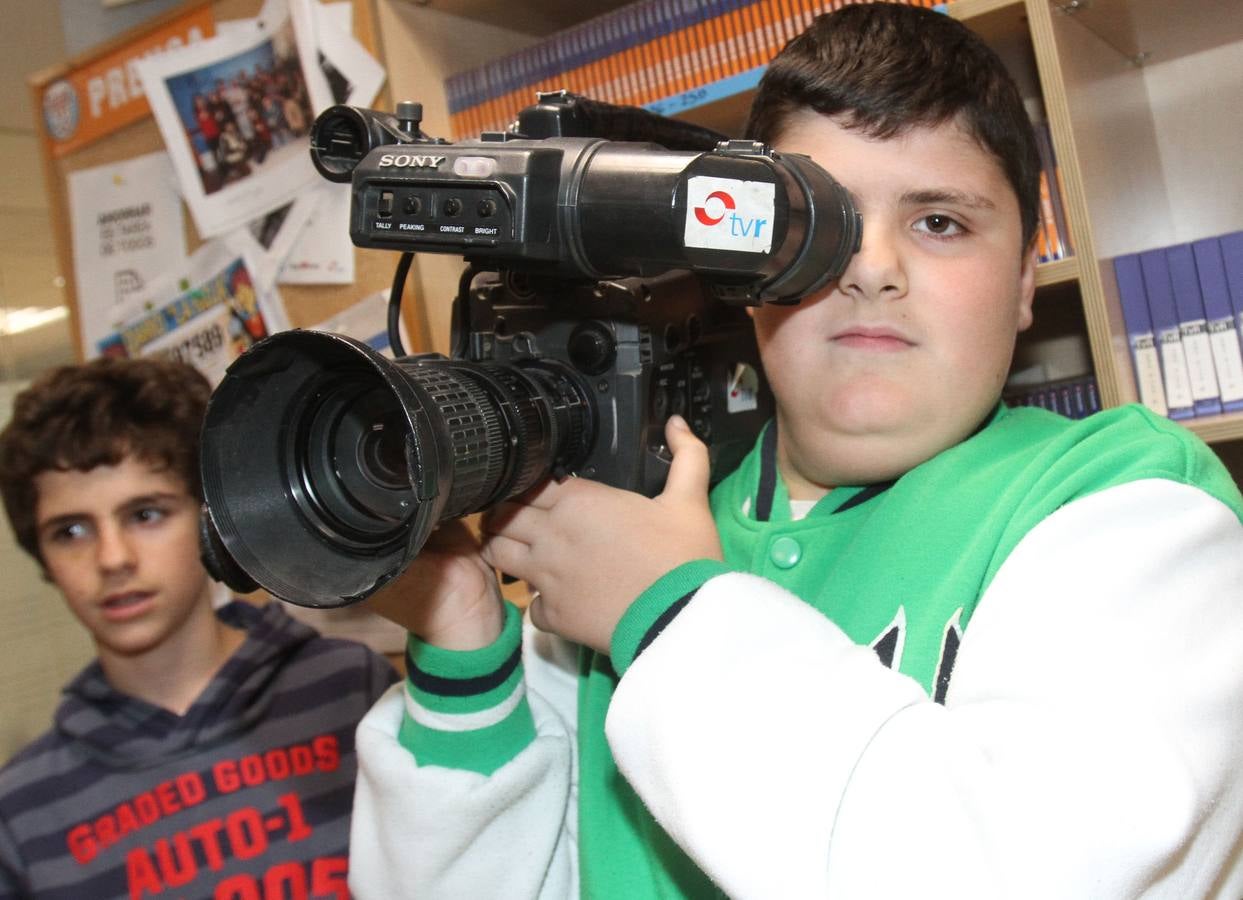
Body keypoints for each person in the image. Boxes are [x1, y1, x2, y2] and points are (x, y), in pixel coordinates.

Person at [349, 4, 1243, 898]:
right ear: (739, 272)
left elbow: (1033, 869)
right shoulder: (627, 537)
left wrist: (668, 616)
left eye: (938, 222)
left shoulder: (1133, 508)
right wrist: (464, 649)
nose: (871, 267)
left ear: (1021, 281)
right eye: (815, 223)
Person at [0, 358, 398, 899]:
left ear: (209, 519)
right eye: (70, 531)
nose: (112, 558)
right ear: (42, 558)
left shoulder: (351, 691)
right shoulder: (21, 812)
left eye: (146, 514)